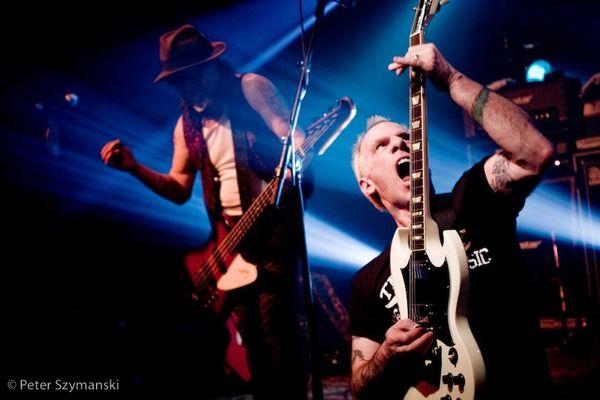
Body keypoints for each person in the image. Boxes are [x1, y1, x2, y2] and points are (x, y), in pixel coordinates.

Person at [100, 24, 307, 399]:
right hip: (230, 241)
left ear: (212, 64)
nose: (189, 85)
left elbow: (288, 129)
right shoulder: (186, 126)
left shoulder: (250, 87)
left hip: (272, 227)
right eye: (179, 80)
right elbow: (179, 188)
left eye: (193, 74)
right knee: (252, 339)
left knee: (275, 327)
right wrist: (133, 168)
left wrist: (294, 154)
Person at [349, 43, 555, 399]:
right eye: (381, 145)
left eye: (406, 138)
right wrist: (386, 356)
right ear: (367, 185)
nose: (400, 145)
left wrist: (451, 78)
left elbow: (535, 153)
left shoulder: (472, 199)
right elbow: (359, 386)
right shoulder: (369, 280)